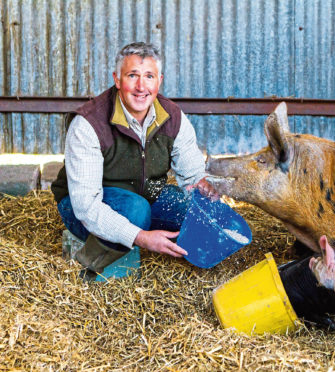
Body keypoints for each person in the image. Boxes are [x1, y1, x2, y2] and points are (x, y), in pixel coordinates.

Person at [51, 42, 219, 280]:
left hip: (144, 196)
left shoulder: (173, 117)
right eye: (132, 76)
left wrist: (203, 186)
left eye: (149, 76)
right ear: (117, 79)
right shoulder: (89, 124)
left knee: (191, 210)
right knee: (135, 210)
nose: (141, 87)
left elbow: (192, 174)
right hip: (84, 207)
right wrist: (142, 238)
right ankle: (88, 265)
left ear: (159, 81)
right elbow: (86, 207)